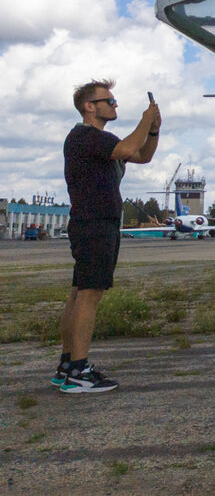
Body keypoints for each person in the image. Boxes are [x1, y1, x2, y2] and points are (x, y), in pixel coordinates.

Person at [55, 80, 160, 393]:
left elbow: (142, 155)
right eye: (109, 100)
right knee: (89, 295)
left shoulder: (99, 143)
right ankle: (78, 372)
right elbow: (129, 148)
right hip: (94, 225)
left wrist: (153, 130)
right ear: (90, 106)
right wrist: (145, 119)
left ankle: (67, 364)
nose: (115, 105)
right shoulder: (85, 136)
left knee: (79, 294)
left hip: (95, 225)